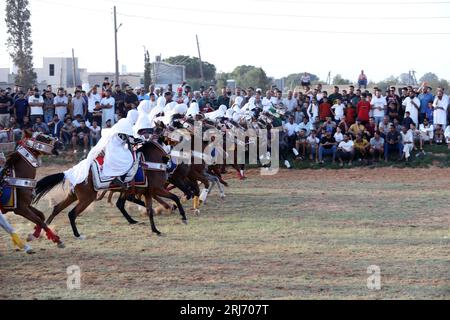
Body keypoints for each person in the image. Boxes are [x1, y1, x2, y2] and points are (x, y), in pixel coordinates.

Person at [64, 117, 137, 189]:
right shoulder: (125, 130)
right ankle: (119, 177)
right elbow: (131, 141)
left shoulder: (118, 129)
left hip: (111, 149)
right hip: (116, 150)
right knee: (129, 160)